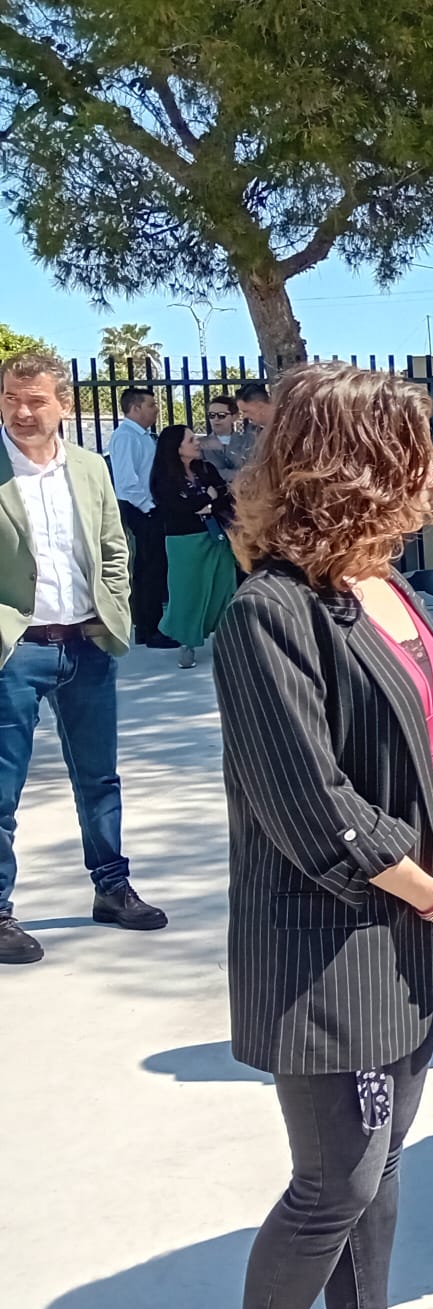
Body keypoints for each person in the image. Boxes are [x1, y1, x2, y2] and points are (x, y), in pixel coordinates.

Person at [209, 361, 433, 1309]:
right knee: (334, 1180)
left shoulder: (387, 589)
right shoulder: (268, 614)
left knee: (378, 1171)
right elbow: (312, 806)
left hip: (411, 936)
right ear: (359, 469)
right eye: (416, 459)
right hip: (331, 948)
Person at [0, 352, 165, 966]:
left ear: (62, 404)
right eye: (12, 397)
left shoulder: (90, 469)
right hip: (15, 650)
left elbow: (113, 549)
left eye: (36, 399)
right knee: (2, 786)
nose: (22, 410)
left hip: (86, 646)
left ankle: (112, 888)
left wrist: (110, 613)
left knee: (99, 778)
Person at [149, 422, 238, 669]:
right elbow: (175, 508)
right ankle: (186, 642)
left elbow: (225, 497)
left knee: (223, 587)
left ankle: (225, 638)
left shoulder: (206, 469)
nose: (197, 442)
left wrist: (206, 503)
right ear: (176, 448)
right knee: (187, 592)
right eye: (190, 440)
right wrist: (206, 499)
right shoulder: (164, 477)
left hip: (216, 537)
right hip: (184, 541)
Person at [108, 386, 174, 649]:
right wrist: (148, 507)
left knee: (155, 568)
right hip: (141, 509)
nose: (155, 409)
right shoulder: (126, 437)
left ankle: (150, 627)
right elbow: (126, 481)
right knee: (148, 569)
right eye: (150, 405)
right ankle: (148, 628)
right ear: (135, 408)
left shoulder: (144, 436)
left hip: (148, 507)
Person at [198, 395, 258, 483]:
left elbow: (253, 471)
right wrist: (239, 474)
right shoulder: (200, 444)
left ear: (234, 417)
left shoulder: (249, 441)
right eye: (211, 415)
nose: (216, 419)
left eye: (222, 415)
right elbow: (202, 473)